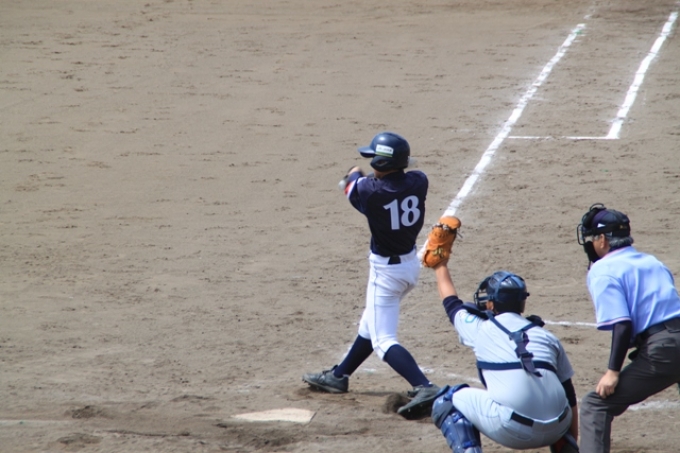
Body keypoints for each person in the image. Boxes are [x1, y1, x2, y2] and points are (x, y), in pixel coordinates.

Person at [301, 131, 439, 418]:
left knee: (383, 340)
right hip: (409, 265)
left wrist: (353, 171)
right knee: (371, 322)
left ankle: (424, 385)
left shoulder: (370, 192)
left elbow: (352, 182)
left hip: (386, 273)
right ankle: (339, 376)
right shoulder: (419, 181)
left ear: (381, 162)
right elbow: (394, 174)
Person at [422, 260, 579, 452]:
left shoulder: (480, 329)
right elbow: (569, 393)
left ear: (491, 303)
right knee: (551, 395)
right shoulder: (547, 336)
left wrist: (440, 267)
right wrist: (572, 439)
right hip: (559, 427)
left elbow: (451, 303)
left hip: (513, 430)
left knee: (446, 401)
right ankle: (566, 447)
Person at [576, 203, 680, 453]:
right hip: (671, 339)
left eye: (592, 238)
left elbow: (622, 324)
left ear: (602, 239)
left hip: (665, 349)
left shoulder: (603, 270)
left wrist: (612, 371)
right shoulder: (652, 261)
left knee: (595, 405)